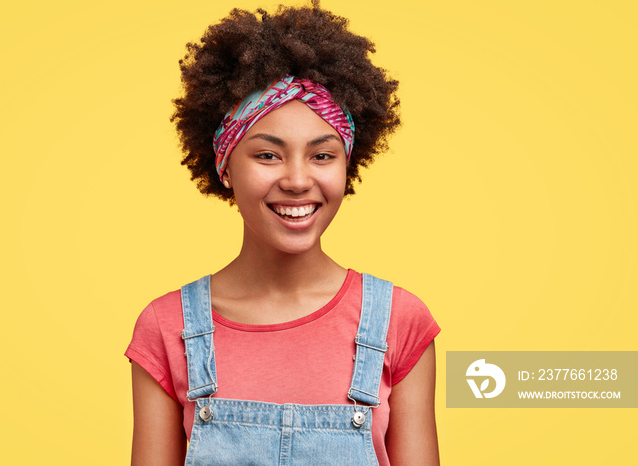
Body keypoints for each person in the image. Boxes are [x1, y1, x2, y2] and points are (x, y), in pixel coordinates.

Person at [125, 2, 440, 464]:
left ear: (348, 165)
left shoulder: (399, 323)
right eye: (268, 155)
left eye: (322, 155)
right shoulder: (166, 328)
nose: (296, 180)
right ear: (225, 167)